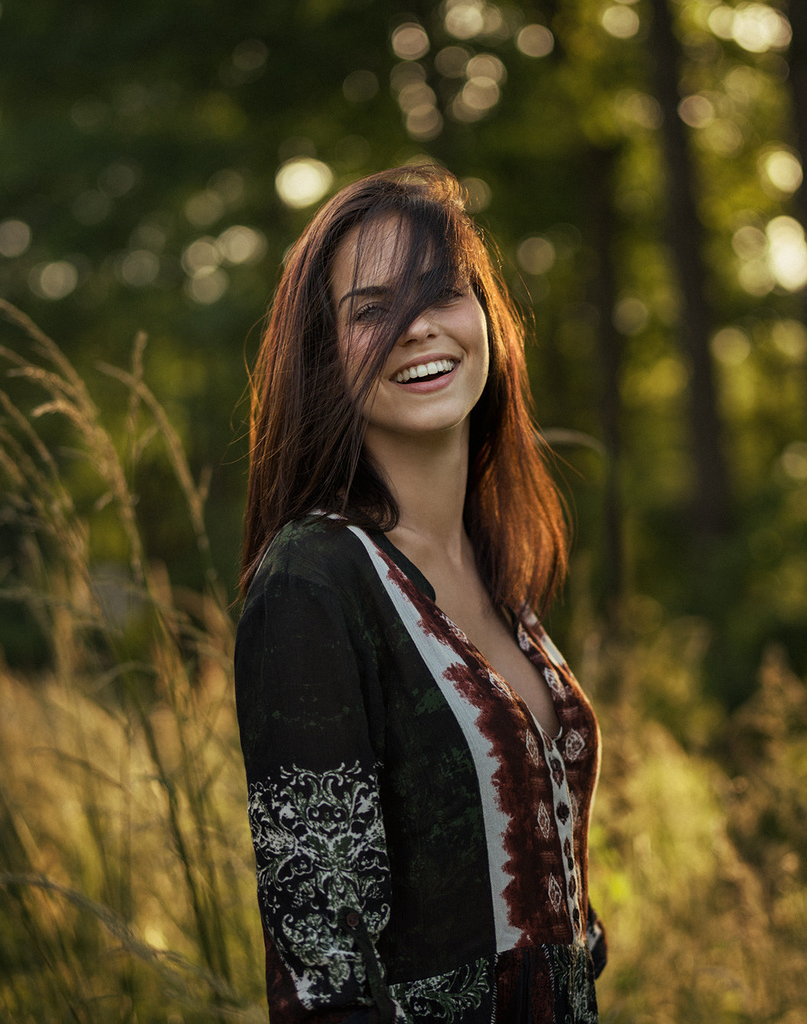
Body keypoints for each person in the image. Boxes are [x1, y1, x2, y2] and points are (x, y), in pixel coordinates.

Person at [234, 165, 605, 1024]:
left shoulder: (493, 568)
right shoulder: (313, 580)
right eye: (371, 310)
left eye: (443, 292)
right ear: (325, 354)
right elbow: (327, 984)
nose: (416, 327)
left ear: (486, 319)